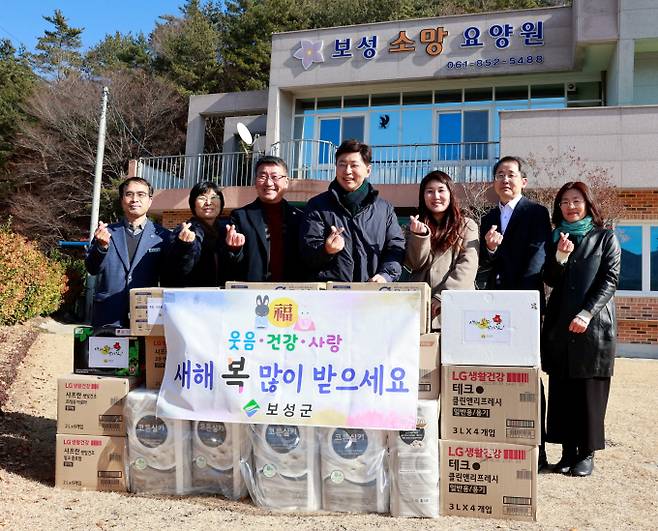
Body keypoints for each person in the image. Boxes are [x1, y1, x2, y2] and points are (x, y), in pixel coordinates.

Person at [541, 181, 621, 477]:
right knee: (562, 389)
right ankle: (566, 452)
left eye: (576, 201)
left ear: (587, 204)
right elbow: (549, 278)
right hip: (561, 326)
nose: (570, 207)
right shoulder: (555, 238)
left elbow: (610, 280)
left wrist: (587, 313)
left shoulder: (605, 237)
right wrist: (560, 256)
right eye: (564, 202)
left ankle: (586, 453)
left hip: (593, 325)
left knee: (588, 390)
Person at [478, 155, 552, 470]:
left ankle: (540, 448)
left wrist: (519, 303)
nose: (505, 180)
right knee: (499, 376)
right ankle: (504, 441)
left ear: (523, 181)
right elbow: (483, 262)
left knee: (528, 376)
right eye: (499, 175)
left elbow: (537, 258)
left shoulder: (536, 212)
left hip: (524, 307)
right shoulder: (487, 217)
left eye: (511, 174)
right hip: (494, 311)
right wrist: (491, 248)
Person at [300, 139, 405, 282]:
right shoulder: (317, 206)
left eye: (354, 165)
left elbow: (395, 249)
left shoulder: (384, 209)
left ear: (368, 170)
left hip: (372, 294)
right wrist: (326, 250)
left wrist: (385, 276)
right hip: (329, 296)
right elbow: (306, 253)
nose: (347, 171)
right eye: (342, 165)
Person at [85, 177, 173, 329]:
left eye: (141, 194)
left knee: (143, 354)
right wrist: (101, 247)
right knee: (108, 352)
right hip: (109, 315)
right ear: (122, 200)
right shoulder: (106, 233)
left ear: (150, 200)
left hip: (147, 316)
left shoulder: (162, 236)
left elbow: (169, 276)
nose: (134, 199)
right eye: (129, 194)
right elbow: (92, 269)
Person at [405, 170, 479, 329]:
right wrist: (419, 236)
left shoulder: (467, 225)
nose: (435, 196)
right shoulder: (416, 226)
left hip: (455, 305)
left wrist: (442, 296)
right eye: (429, 191)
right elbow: (415, 264)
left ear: (450, 194)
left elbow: (468, 266)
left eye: (441, 190)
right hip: (421, 307)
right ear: (423, 196)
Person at [225, 156, 304, 281]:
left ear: (286, 182)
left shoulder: (299, 217)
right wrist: (235, 249)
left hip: (291, 293)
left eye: (275, 177)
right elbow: (231, 264)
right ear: (255, 181)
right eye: (262, 176)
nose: (268, 183)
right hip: (254, 293)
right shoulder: (240, 216)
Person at [165, 181, 229, 287]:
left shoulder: (227, 231)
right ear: (193, 204)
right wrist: (185, 246)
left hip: (224, 297)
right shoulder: (183, 232)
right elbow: (176, 270)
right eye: (202, 198)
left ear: (221, 202)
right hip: (194, 298)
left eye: (214, 197)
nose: (208, 202)